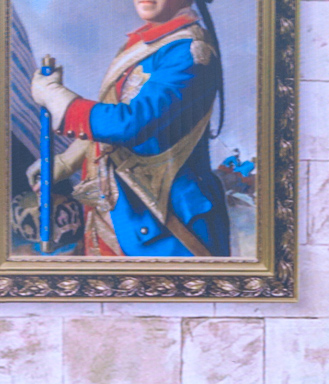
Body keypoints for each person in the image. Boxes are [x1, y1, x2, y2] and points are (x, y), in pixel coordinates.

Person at [26, 0, 230, 257]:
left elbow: (131, 123)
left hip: (166, 221)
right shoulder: (146, 42)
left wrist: (57, 98)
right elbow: (115, 109)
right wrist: (69, 160)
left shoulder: (188, 51)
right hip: (121, 209)